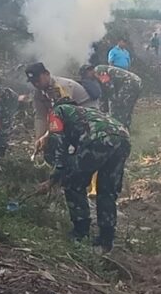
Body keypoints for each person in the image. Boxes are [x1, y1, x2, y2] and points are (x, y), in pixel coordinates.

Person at [37, 99, 131, 252]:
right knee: (107, 190)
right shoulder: (86, 114)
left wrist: (55, 177)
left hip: (99, 139)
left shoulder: (57, 111)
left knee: (73, 183)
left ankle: (81, 232)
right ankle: (106, 239)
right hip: (123, 138)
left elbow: (59, 144)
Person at [25, 62, 91, 150]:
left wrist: (47, 136)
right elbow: (40, 116)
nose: (36, 84)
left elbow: (64, 116)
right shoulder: (38, 93)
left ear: (47, 74)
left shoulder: (61, 87)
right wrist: (39, 139)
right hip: (71, 116)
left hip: (87, 115)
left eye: (38, 80)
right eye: (33, 82)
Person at [81, 64, 143, 128]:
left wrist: (112, 106)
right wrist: (102, 110)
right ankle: (125, 130)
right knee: (126, 110)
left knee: (118, 109)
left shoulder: (98, 71)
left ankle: (118, 129)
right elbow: (103, 93)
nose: (88, 78)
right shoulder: (99, 74)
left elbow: (109, 87)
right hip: (135, 82)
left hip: (129, 83)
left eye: (86, 75)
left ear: (88, 71)